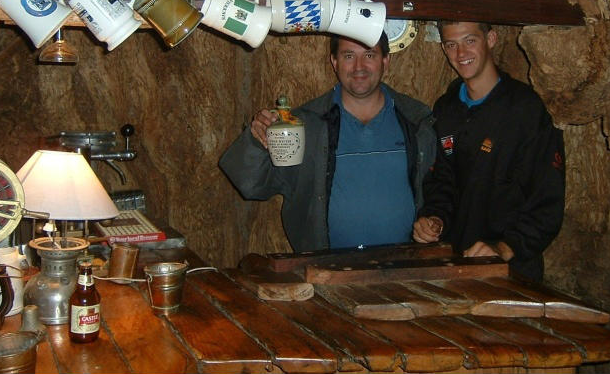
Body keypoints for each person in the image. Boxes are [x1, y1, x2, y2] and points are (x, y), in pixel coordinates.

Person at [219, 33, 436, 252]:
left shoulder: (417, 121)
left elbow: (441, 188)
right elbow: (251, 185)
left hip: (404, 266)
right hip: (325, 270)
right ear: (334, 62)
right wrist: (257, 141)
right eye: (348, 56)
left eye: (369, 54)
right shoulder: (305, 125)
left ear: (385, 61)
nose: (359, 66)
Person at [413, 21, 565, 282]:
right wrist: (435, 220)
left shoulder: (525, 110)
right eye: (452, 44)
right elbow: (443, 183)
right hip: (455, 263)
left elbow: (547, 201)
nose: (461, 54)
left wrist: (503, 248)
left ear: (491, 39)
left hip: (512, 270)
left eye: (470, 41)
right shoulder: (446, 110)